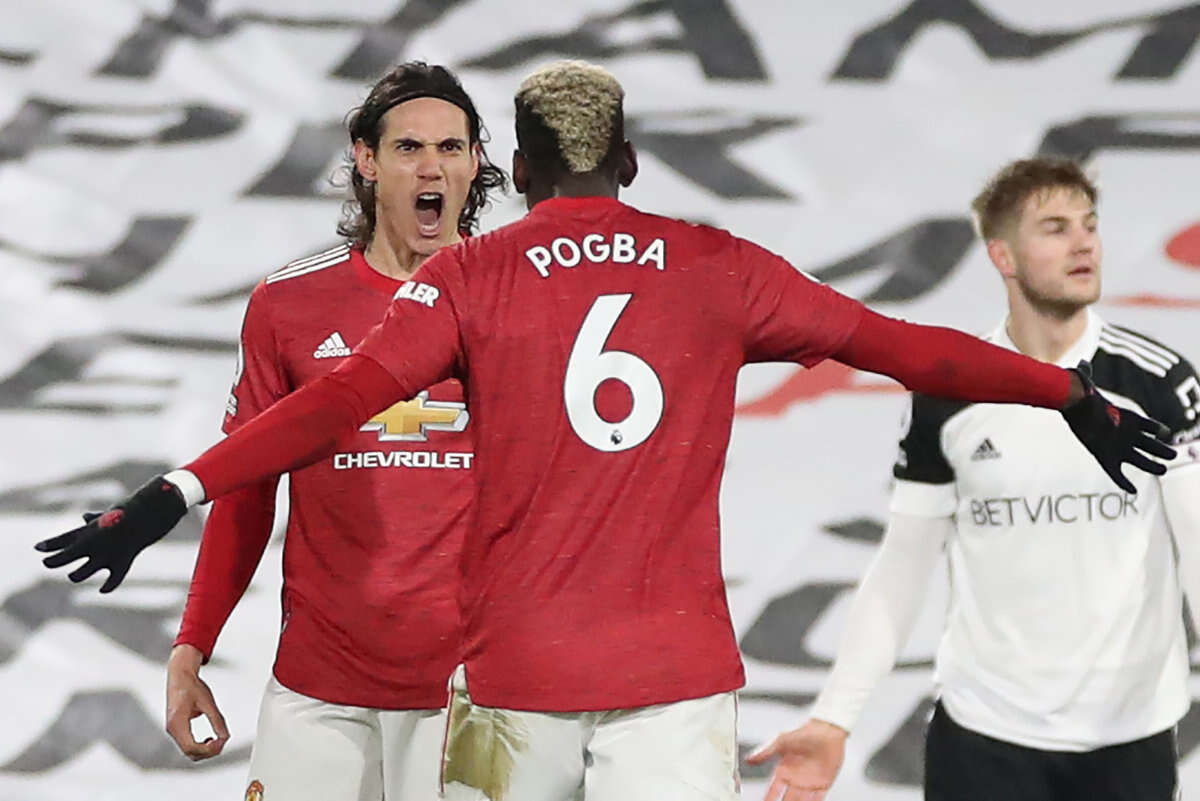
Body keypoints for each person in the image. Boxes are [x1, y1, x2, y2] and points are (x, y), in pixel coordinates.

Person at [37, 64, 1174, 801]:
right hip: (672, 679)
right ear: (629, 162)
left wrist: (171, 492)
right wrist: (1068, 393)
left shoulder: (471, 278)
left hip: (509, 682)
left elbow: (332, 406)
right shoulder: (719, 267)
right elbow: (905, 347)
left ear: (515, 170)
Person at [748, 158, 1200, 801]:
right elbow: (903, 564)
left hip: (1130, 740)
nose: (1084, 244)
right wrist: (835, 717)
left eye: (1090, 225)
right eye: (1055, 228)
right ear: (1002, 256)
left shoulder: (1157, 382)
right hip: (984, 742)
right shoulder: (950, 395)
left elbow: (1197, 544)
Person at [160, 61, 505, 801]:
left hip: (470, 691)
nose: (432, 167)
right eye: (409, 147)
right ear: (366, 159)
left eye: (451, 147)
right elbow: (245, 490)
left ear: (476, 162)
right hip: (317, 692)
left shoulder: (517, 303)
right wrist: (193, 646)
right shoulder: (288, 305)